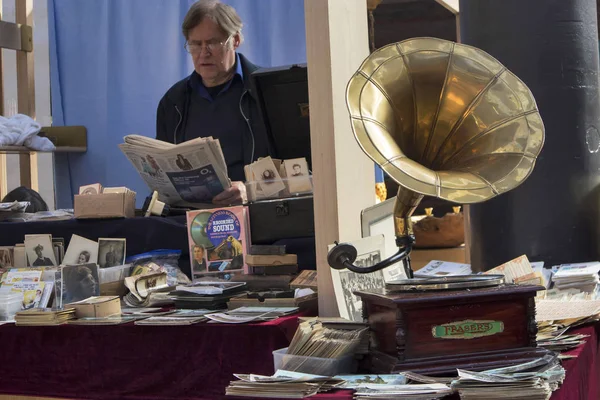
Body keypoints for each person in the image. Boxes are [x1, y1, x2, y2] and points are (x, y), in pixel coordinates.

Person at [156, 0, 273, 205]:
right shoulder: (173, 101)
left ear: (235, 40)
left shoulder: (267, 91)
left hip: (256, 215)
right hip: (189, 219)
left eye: (212, 42)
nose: (203, 53)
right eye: (195, 44)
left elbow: (299, 171)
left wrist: (251, 191)